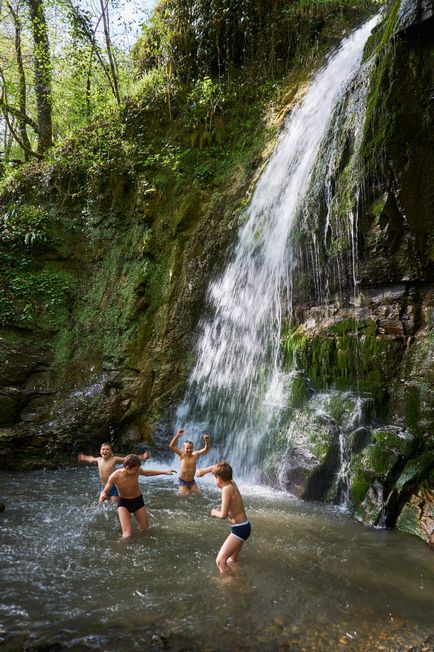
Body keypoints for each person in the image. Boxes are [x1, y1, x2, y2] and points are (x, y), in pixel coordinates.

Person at [99, 454, 176, 538]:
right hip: (123, 503)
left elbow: (147, 472)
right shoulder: (115, 476)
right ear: (127, 468)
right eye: (135, 470)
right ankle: (121, 548)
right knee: (127, 535)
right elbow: (105, 490)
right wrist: (103, 496)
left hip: (138, 501)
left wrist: (164, 472)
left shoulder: (138, 470)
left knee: (145, 530)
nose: (137, 471)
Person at [197, 462, 251, 574]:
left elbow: (223, 515)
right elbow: (216, 469)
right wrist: (204, 471)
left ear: (219, 479)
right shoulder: (232, 483)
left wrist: (214, 512)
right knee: (232, 559)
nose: (214, 480)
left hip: (239, 530)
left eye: (214, 478)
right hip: (244, 527)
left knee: (220, 561)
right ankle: (238, 578)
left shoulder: (226, 489)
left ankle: (233, 585)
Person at [78, 442, 151, 503]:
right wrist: (84, 457)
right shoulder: (98, 460)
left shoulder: (114, 459)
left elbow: (127, 459)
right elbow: (91, 459)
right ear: (100, 451)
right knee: (100, 504)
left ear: (111, 452)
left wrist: (142, 456)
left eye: (107, 449)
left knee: (113, 505)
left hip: (113, 487)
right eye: (103, 449)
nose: (105, 451)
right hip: (103, 487)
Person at [169, 428, 210, 495]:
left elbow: (206, 449)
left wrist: (206, 441)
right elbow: (171, 446)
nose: (189, 450)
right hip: (183, 481)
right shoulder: (182, 455)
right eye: (187, 448)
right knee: (184, 497)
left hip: (192, 481)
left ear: (193, 448)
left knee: (198, 495)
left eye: (191, 448)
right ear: (183, 449)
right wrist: (177, 436)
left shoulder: (195, 455)